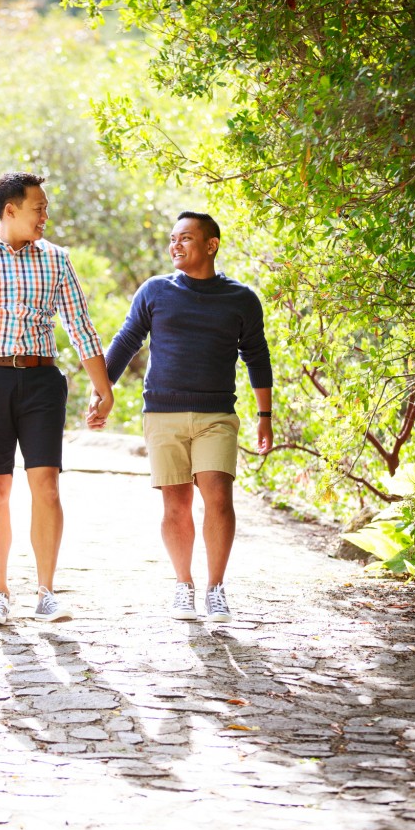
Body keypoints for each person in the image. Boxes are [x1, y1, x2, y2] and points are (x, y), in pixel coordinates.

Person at [0, 172, 113, 626]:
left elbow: (80, 328)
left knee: (47, 486)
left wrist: (103, 388)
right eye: (39, 209)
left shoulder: (56, 259)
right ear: (9, 210)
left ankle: (47, 592)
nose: (45, 217)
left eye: (46, 209)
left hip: (40, 381)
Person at [92, 210, 273, 623]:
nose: (175, 245)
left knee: (218, 498)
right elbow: (126, 341)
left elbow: (257, 357)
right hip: (163, 413)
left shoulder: (241, 299)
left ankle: (216, 588)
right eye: (172, 239)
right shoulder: (155, 291)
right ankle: (182, 585)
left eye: (185, 238)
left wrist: (265, 414)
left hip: (216, 415)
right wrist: (103, 391)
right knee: (176, 505)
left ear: (211, 245)